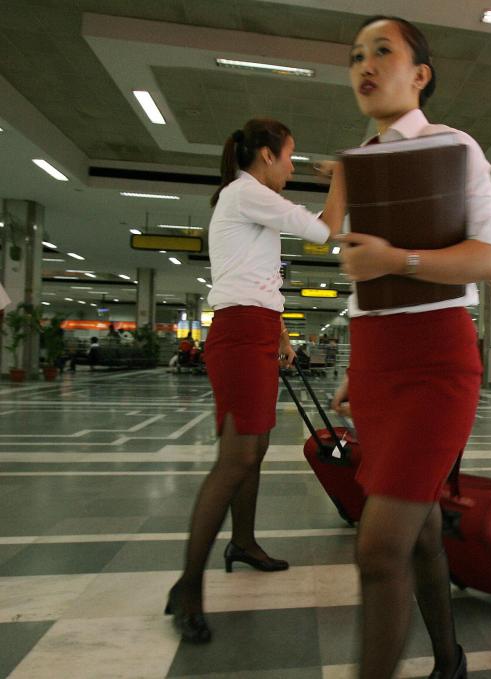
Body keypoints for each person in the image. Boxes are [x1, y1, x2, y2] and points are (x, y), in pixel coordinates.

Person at [328, 15, 491, 679]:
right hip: (376, 360)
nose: (364, 66)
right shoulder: (359, 163)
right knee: (423, 526)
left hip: (435, 360)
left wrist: (396, 257)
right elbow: (360, 285)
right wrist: (355, 364)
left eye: (382, 52)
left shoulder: (450, 145)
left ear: (419, 75)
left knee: (378, 548)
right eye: (354, 57)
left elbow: (489, 258)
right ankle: (447, 659)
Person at [165, 117, 344, 644]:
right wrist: (344, 178)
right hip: (240, 334)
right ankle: (188, 586)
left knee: (256, 448)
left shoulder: (250, 202)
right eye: (288, 157)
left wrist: (282, 335)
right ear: (265, 156)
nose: (291, 167)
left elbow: (257, 275)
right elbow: (325, 230)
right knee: (235, 458)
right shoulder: (246, 193)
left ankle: (241, 542)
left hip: (257, 329)